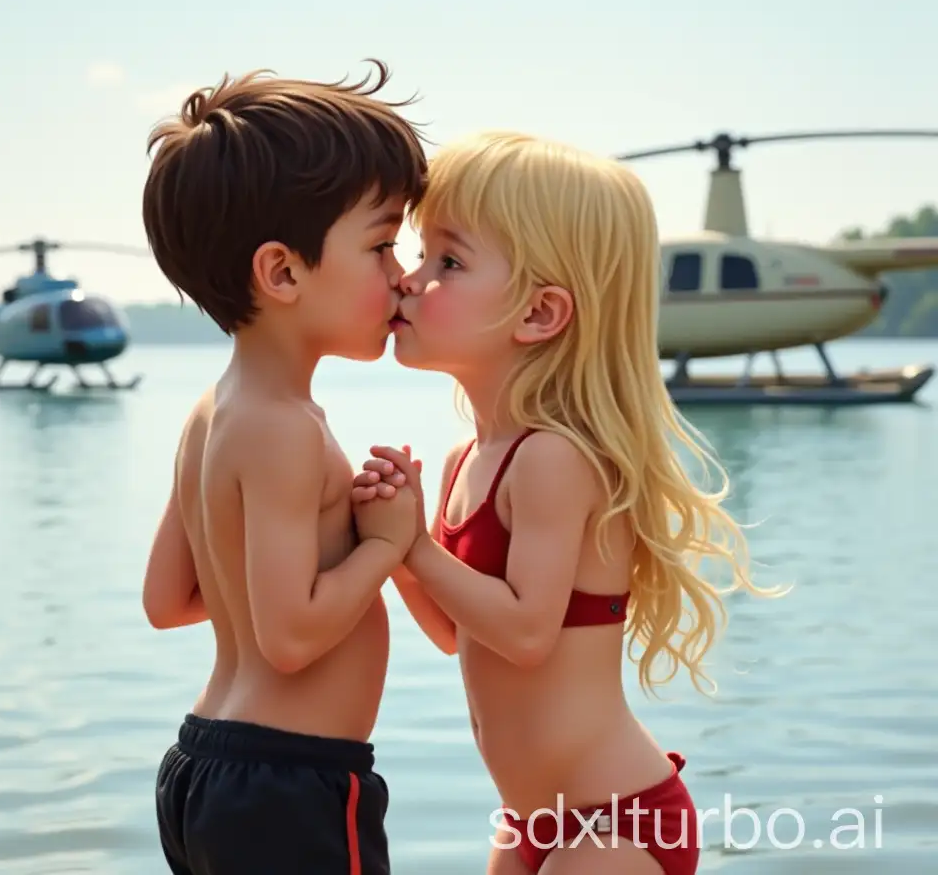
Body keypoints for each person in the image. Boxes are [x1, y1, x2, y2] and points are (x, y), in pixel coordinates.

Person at [350, 130, 782, 874]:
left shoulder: (552, 459)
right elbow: (461, 634)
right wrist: (388, 548)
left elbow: (524, 634)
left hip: (617, 821)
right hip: (531, 820)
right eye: (420, 255)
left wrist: (413, 547)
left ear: (541, 314)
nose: (411, 280)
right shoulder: (465, 459)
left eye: (448, 261)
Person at [140, 61, 427, 875]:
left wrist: (315, 550)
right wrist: (383, 544)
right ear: (283, 271)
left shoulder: (213, 413)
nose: (402, 273)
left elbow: (169, 600)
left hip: (204, 765)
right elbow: (292, 637)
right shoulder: (287, 430)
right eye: (380, 245)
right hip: (288, 784)